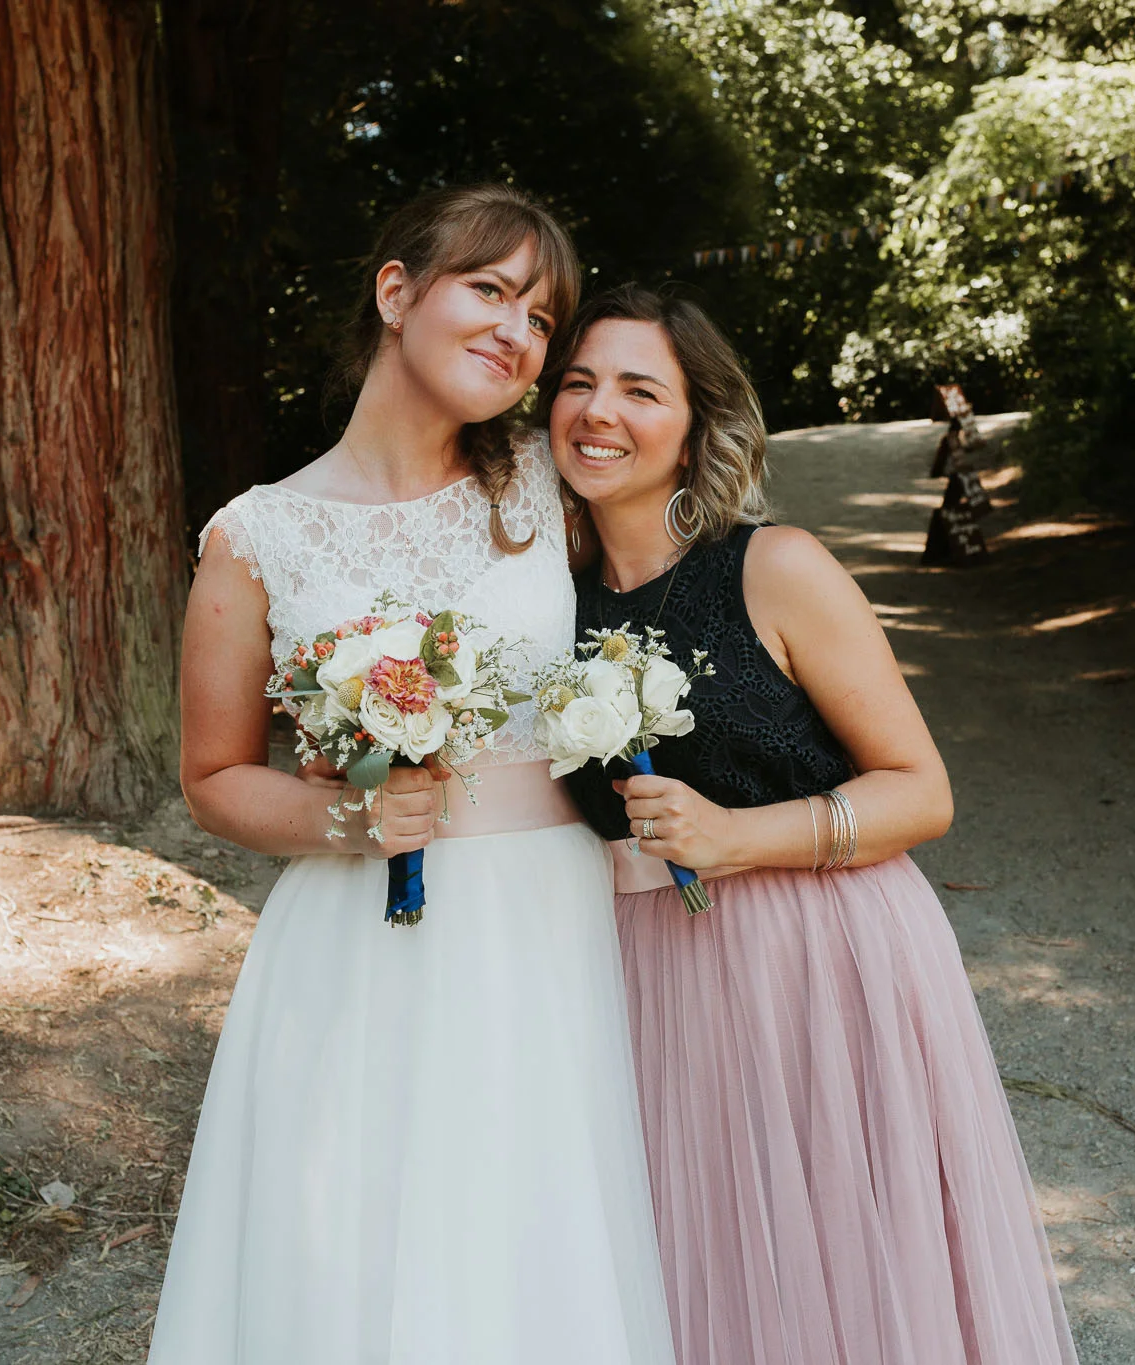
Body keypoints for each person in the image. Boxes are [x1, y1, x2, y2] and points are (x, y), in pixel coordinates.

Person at [150, 188, 673, 1364]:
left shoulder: (548, 484)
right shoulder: (258, 535)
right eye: (488, 289)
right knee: (355, 1249)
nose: (517, 333)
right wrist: (353, 812)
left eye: (541, 318)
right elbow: (214, 776)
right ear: (396, 293)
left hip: (546, 923)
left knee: (524, 1240)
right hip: (357, 940)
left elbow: (688, 567)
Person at [546, 284, 1079, 1365]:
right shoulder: (543, 603)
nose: (599, 412)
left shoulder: (774, 568)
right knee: (701, 1266)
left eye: (639, 390)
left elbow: (919, 791)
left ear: (696, 426)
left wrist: (736, 838)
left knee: (840, 1264)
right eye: (577, 384)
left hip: (822, 959)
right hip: (644, 972)